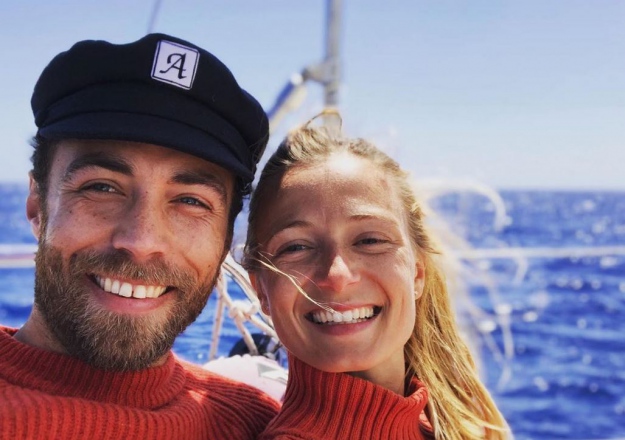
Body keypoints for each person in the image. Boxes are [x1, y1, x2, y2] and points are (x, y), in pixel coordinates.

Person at [0, 33, 280, 439]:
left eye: (190, 201)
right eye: (101, 187)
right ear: (37, 206)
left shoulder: (257, 423)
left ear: (224, 239)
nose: (142, 241)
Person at [243, 112, 511, 439]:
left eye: (370, 240)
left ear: (417, 272)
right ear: (261, 291)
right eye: (296, 247)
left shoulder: (458, 425)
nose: (338, 275)